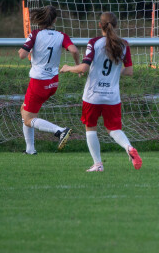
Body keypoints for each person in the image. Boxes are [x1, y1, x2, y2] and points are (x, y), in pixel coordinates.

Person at [60, 12, 142, 172]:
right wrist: (115, 73)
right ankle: (128, 147)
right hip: (112, 96)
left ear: (100, 25)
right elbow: (129, 71)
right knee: (114, 129)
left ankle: (98, 164)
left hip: (93, 95)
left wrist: (68, 68)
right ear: (116, 25)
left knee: (90, 127)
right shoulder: (124, 44)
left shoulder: (94, 42)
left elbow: (84, 67)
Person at [19, 5, 80, 155]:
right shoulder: (61, 35)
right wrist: (78, 66)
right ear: (55, 20)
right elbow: (74, 50)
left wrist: (28, 49)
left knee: (28, 119)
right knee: (24, 110)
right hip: (53, 82)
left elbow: (21, 55)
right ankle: (30, 149)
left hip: (38, 82)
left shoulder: (35, 34)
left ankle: (60, 131)